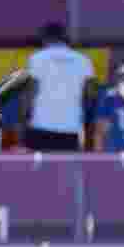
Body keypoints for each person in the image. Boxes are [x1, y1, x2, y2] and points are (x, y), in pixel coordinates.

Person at [19, 23, 96, 152]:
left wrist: (22, 120)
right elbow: (90, 95)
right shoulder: (83, 60)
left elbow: (29, 93)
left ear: (45, 38)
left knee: (38, 170)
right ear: (64, 38)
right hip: (71, 127)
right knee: (65, 169)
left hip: (40, 125)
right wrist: (84, 121)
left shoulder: (37, 58)